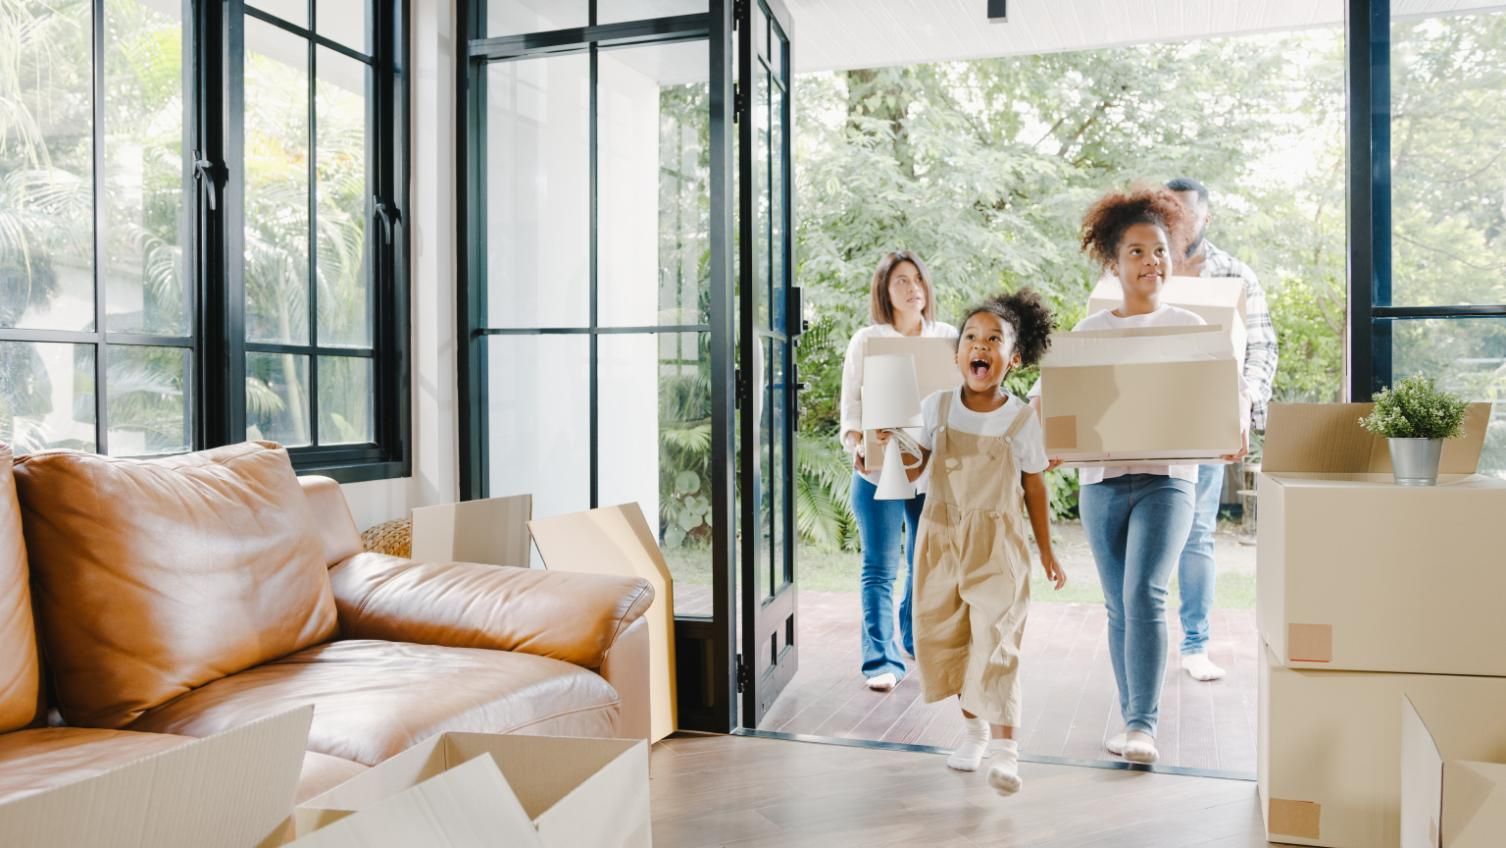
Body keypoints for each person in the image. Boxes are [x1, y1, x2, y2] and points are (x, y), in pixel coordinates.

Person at [1063, 188, 1248, 765]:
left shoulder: (1191, 327)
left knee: (1144, 591)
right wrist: (1049, 437)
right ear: (1113, 263)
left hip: (1168, 479)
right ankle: (1130, 721)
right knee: (1119, 604)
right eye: (1137, 252)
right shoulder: (1090, 332)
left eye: (1160, 250)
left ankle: (1142, 726)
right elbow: (1059, 402)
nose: (1152, 262)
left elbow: (1229, 394)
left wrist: (1237, 426)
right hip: (1102, 481)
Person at [881, 290, 1065, 797]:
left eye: (994, 339)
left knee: (996, 641)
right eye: (971, 337)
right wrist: (887, 448)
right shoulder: (935, 407)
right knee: (951, 641)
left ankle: (1006, 752)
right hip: (939, 541)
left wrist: (1046, 550)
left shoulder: (1021, 420)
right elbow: (913, 468)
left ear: (1014, 358)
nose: (980, 346)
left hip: (997, 547)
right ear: (958, 353)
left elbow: (1034, 486)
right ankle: (974, 732)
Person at [1164, 177, 1279, 683]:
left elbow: (1261, 347)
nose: (1176, 222)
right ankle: (1139, 640)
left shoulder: (1235, 274)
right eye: (1167, 212)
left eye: (1186, 213)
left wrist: (1243, 404)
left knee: (1197, 534)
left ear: (1205, 218)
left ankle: (1195, 644)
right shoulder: (1138, 266)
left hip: (1206, 421)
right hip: (1144, 422)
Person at [839, 251, 958, 692]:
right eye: (901, 282)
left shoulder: (948, 338)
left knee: (924, 565)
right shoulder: (867, 340)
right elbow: (851, 405)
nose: (912, 289)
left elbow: (962, 400)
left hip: (930, 470)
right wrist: (857, 443)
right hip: (879, 472)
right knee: (879, 567)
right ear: (884, 291)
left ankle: (911, 637)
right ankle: (880, 660)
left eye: (917, 280)